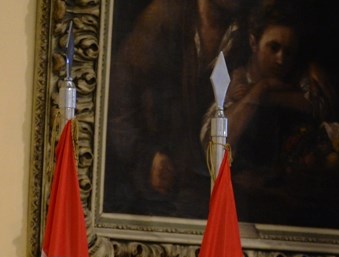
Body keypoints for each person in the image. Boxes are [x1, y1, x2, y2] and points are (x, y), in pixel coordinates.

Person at [201, 0, 339, 228]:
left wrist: (267, 92)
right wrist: (259, 90)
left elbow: (320, 109)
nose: (281, 59)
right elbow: (217, 144)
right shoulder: (233, 85)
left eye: (288, 52)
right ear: (253, 42)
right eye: (273, 48)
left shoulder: (302, 83)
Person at [104, 0, 255, 219]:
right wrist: (146, 156)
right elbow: (120, 97)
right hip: (158, 186)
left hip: (211, 183)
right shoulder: (163, 18)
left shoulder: (245, 30)